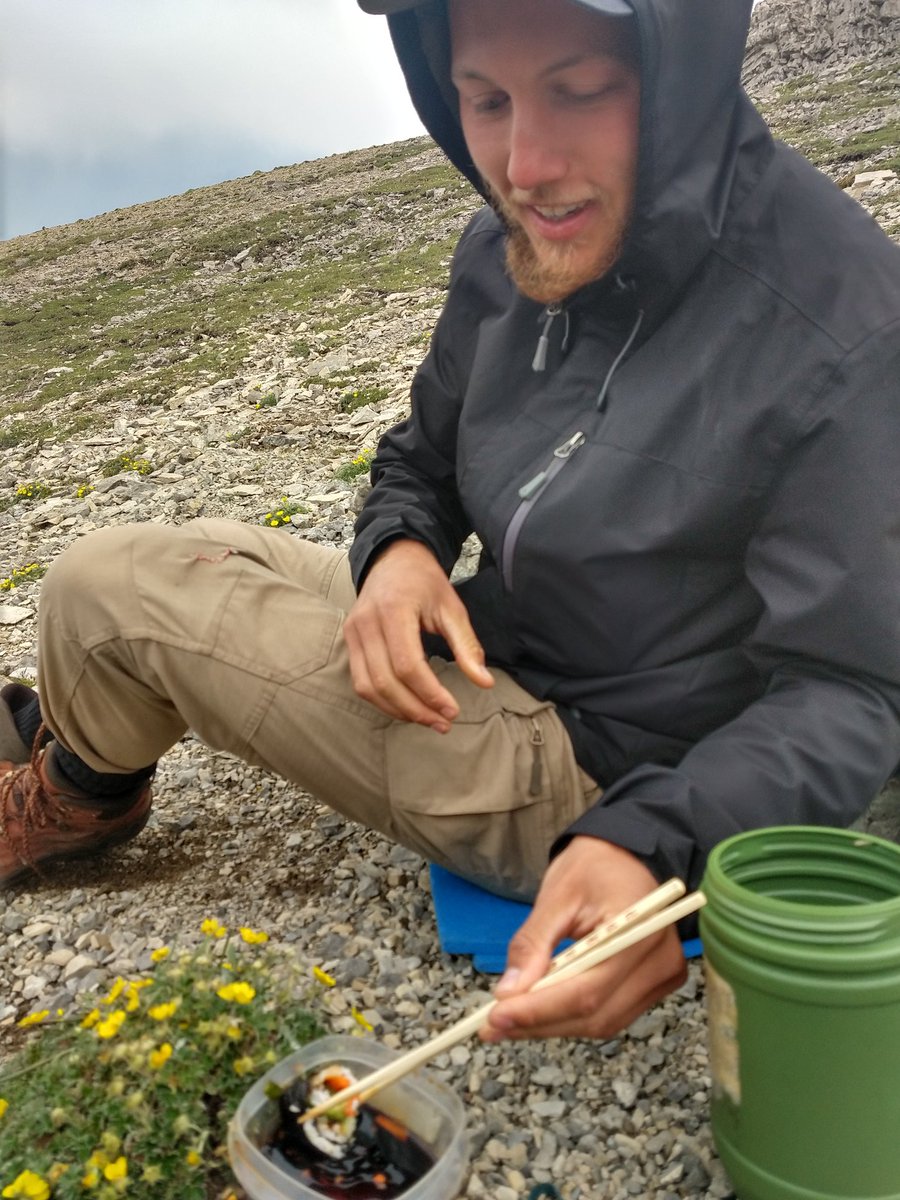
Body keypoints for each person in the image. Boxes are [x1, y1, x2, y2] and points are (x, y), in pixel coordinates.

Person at [2, 0, 899, 1044]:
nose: (525, 161)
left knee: (106, 595)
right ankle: (76, 753)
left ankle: (75, 792)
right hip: (495, 642)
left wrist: (652, 844)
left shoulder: (841, 320)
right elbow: (420, 454)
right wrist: (399, 554)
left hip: (607, 768)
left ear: (682, 69)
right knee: (138, 560)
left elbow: (857, 691)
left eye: (580, 90)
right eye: (485, 99)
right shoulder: (514, 243)